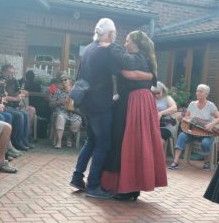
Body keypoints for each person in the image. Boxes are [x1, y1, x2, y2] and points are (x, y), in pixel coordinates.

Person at [101, 30, 167, 200]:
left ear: (136, 43)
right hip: (138, 103)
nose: (125, 44)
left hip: (135, 104)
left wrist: (110, 43)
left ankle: (126, 188)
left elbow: (125, 63)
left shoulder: (138, 58)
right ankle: (130, 188)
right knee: (133, 143)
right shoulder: (144, 59)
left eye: (128, 40)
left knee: (127, 142)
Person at [69, 18, 122, 199]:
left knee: (91, 141)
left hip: (86, 104)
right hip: (100, 105)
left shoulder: (89, 49)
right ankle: (93, 186)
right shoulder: (104, 51)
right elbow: (121, 71)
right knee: (103, 144)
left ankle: (77, 177)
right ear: (111, 34)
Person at [169, 84, 219, 171]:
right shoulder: (192, 104)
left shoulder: (210, 105)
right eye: (197, 91)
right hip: (192, 132)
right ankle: (175, 162)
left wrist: (212, 124)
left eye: (200, 91)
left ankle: (206, 162)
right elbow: (187, 117)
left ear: (206, 94)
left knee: (205, 143)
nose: (198, 93)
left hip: (206, 133)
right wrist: (182, 118)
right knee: (182, 136)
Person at [49, 74, 82, 148]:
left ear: (70, 81)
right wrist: (60, 102)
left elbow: (80, 104)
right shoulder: (58, 91)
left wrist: (75, 107)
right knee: (60, 117)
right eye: (61, 81)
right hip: (62, 111)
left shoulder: (75, 91)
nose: (63, 82)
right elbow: (50, 104)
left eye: (65, 80)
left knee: (77, 121)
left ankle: (69, 136)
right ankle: (59, 141)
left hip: (73, 113)